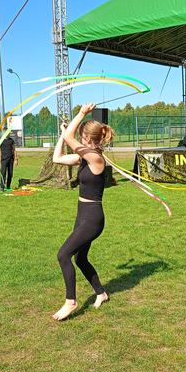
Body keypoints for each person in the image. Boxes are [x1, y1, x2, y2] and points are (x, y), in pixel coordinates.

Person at [51, 103, 112, 320]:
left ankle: (71, 302)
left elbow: (70, 139)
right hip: (82, 214)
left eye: (81, 135)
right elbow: (57, 158)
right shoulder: (84, 158)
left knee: (63, 255)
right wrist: (62, 134)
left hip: (93, 219)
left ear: (88, 138)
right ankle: (101, 293)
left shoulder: (96, 159)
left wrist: (81, 114)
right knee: (80, 259)